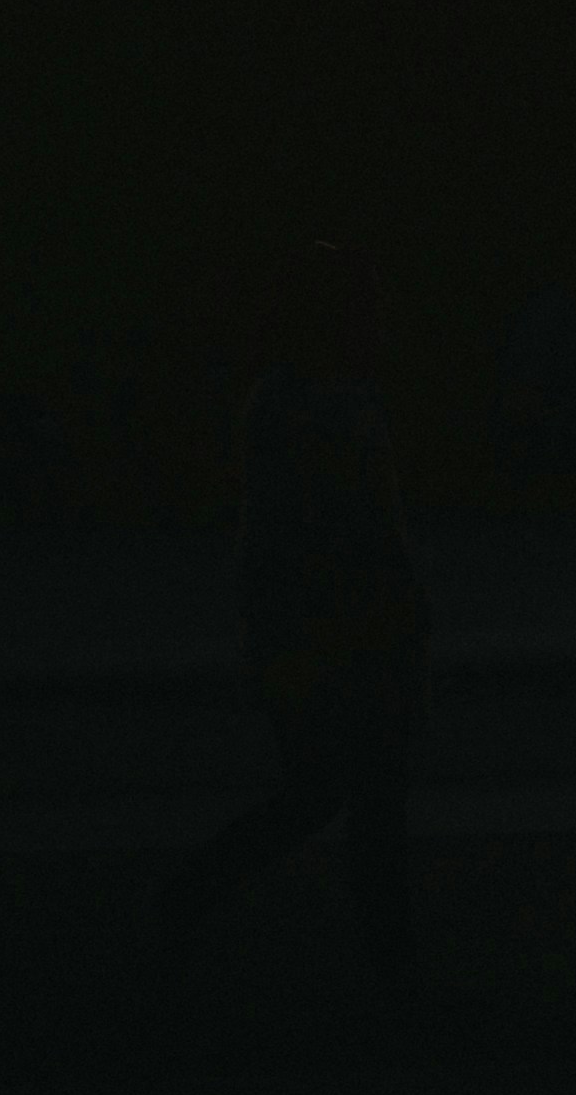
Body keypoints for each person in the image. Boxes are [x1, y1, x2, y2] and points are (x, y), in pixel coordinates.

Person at [161, 329, 430, 987]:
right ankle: (390, 963)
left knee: (333, 794)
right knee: (363, 799)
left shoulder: (286, 404)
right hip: (346, 627)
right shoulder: (333, 407)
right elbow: (365, 524)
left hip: (323, 628)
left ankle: (190, 899)